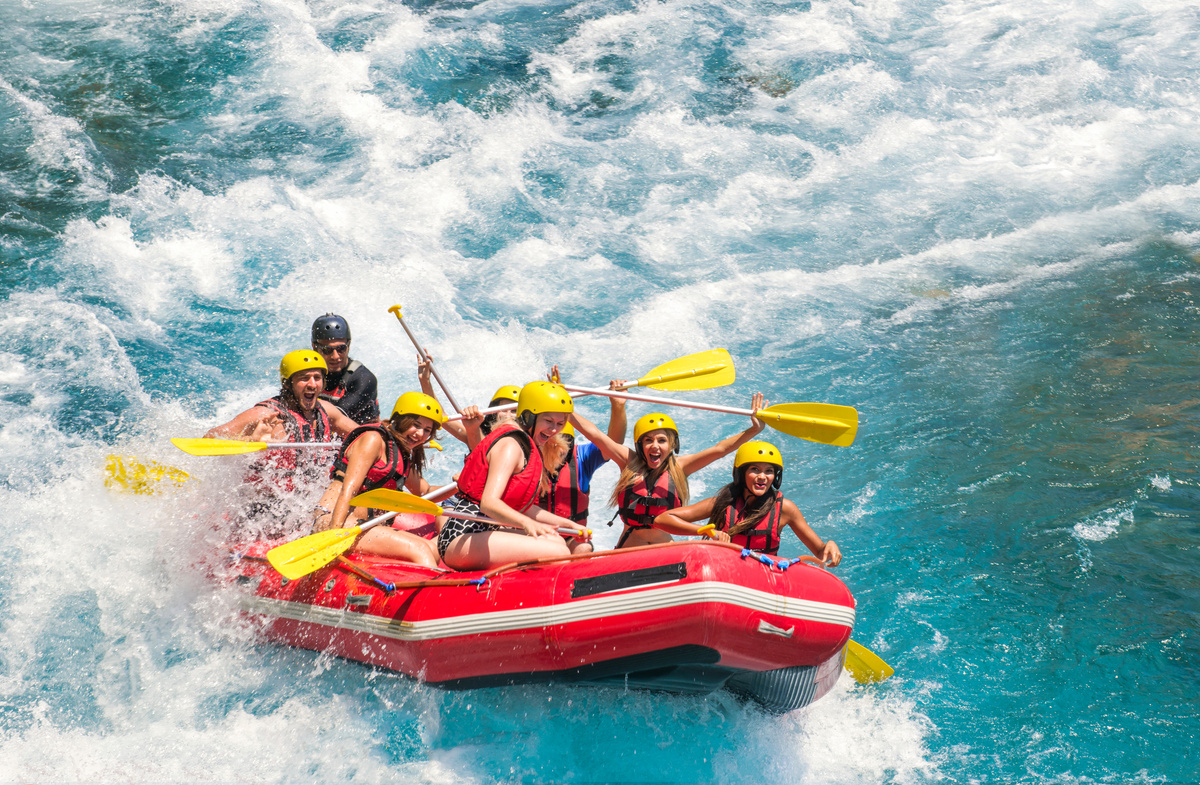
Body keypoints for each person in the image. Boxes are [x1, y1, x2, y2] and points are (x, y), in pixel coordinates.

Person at [569, 393, 768, 549]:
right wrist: (563, 405)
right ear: (640, 446)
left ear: (672, 445)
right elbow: (593, 433)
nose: (655, 446)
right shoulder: (628, 461)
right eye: (648, 440)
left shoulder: (681, 467)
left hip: (666, 548)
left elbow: (720, 449)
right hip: (628, 548)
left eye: (662, 440)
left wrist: (754, 430)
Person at [438, 382, 591, 571]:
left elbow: (525, 508)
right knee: (558, 553)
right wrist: (528, 524)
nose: (553, 430)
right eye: (548, 421)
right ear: (528, 416)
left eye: (560, 424)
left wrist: (570, 525)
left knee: (557, 541)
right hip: (460, 536)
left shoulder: (527, 445)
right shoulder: (511, 445)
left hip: (482, 531)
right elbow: (489, 503)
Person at [205, 350, 357, 529]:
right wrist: (250, 441)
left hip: (307, 502)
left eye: (317, 377)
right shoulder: (266, 414)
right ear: (288, 383)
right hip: (263, 510)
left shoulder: (326, 411)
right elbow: (210, 437)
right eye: (303, 378)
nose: (312, 384)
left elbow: (363, 435)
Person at [311, 392, 453, 568]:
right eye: (415, 425)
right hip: (333, 520)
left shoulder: (401, 452)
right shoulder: (374, 439)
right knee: (420, 549)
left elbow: (425, 492)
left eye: (427, 430)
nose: (420, 434)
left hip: (363, 526)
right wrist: (334, 536)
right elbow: (349, 489)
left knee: (431, 550)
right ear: (401, 420)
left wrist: (460, 485)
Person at [653, 441, 842, 565]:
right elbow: (662, 519)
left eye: (769, 471)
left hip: (764, 578)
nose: (762, 477)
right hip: (725, 574)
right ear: (741, 473)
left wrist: (830, 546)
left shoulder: (785, 509)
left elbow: (820, 551)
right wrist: (706, 530)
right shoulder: (722, 503)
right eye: (754, 469)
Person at [538, 378, 628, 526]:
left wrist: (617, 406)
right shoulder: (525, 455)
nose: (559, 448)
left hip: (573, 538)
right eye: (551, 441)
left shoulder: (581, 459)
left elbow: (613, 444)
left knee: (582, 548)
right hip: (535, 536)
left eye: (565, 441)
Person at [312, 313, 379, 424]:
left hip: (362, 437)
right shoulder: (308, 374)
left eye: (341, 348)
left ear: (349, 344)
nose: (335, 356)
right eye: (327, 350)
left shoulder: (364, 378)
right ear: (314, 347)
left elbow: (334, 419)